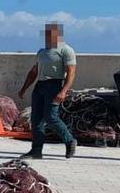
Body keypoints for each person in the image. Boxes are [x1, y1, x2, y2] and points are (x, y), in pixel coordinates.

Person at [17, 23, 77, 159]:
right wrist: (23, 89)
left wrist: (63, 91)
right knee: (36, 119)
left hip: (54, 85)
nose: (48, 36)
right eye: (47, 34)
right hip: (40, 86)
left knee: (51, 117)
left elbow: (71, 72)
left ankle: (69, 140)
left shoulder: (66, 50)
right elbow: (34, 72)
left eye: (51, 33)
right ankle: (36, 150)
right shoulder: (42, 52)